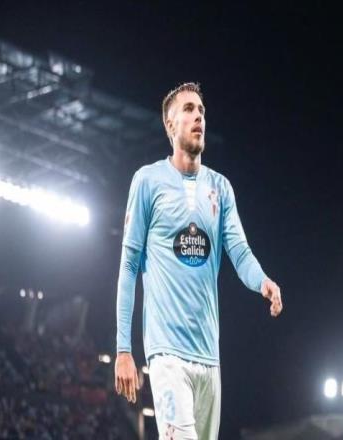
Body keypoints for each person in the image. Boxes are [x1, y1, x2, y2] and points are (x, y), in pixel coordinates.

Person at [115, 82, 283, 439]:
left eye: (202, 111)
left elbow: (239, 251)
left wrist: (262, 281)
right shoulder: (148, 181)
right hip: (166, 353)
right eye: (189, 110)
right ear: (170, 125)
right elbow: (128, 266)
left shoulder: (220, 188)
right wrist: (123, 349)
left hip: (208, 355)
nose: (199, 117)